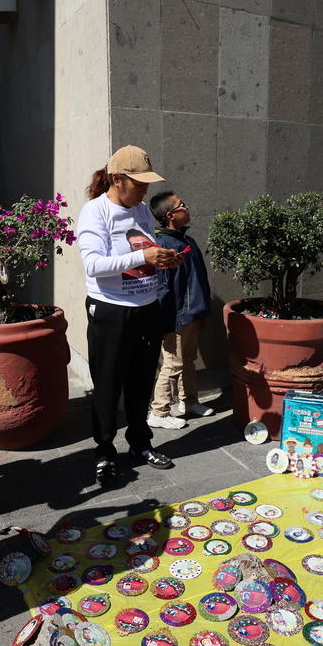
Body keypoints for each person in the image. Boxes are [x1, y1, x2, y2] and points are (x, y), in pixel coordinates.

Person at [78, 145, 183, 486]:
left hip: (145, 309)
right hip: (111, 311)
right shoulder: (95, 212)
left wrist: (165, 259)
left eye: (146, 184)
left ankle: (140, 444)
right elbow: (94, 265)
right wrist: (144, 258)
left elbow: (144, 250)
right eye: (138, 183)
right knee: (108, 387)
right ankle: (104, 453)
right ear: (116, 178)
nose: (145, 190)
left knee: (140, 384)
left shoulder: (139, 210)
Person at [145, 191, 214, 429]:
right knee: (172, 364)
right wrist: (164, 323)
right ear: (170, 215)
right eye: (182, 205)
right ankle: (159, 412)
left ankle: (189, 401)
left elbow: (199, 280)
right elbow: (163, 287)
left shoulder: (187, 241)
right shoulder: (163, 245)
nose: (187, 207)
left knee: (189, 360)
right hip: (175, 318)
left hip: (192, 314)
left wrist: (201, 312)